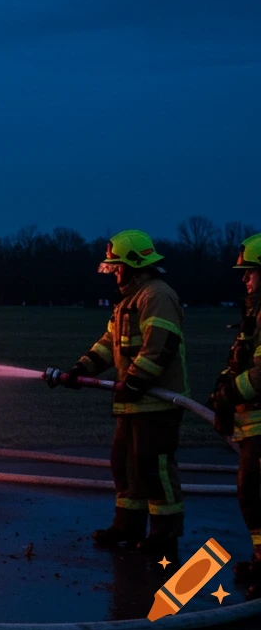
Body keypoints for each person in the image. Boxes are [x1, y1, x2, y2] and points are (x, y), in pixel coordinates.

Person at [47, 230, 187, 556]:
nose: (115, 273)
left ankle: (165, 537)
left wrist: (136, 381)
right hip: (133, 402)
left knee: (154, 468)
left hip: (157, 402)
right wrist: (81, 369)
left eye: (118, 266)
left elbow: (161, 347)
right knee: (124, 464)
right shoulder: (127, 302)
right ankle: (128, 525)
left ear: (135, 265)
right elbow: (109, 345)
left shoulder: (156, 296)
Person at [213, 234, 261, 594]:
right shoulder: (254, 313)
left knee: (253, 491)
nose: (244, 279)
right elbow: (240, 362)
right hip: (252, 422)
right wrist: (222, 396)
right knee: (250, 493)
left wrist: (227, 398)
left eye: (250, 272)